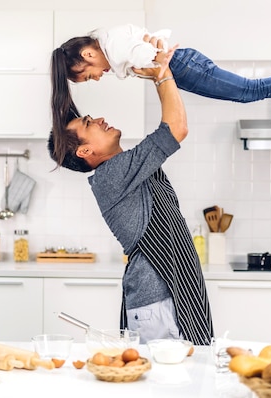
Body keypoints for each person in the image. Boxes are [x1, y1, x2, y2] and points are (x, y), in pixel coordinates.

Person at [48, 38, 214, 345]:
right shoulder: (112, 174)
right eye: (89, 123)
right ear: (86, 150)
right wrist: (161, 72)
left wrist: (161, 73)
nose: (98, 119)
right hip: (158, 298)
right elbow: (176, 128)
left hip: (164, 296)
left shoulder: (123, 168)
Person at [50, 24, 271, 148]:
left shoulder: (114, 47)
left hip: (182, 65)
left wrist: (155, 59)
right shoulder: (110, 42)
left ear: (88, 55)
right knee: (247, 93)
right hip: (183, 68)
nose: (99, 77)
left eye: (90, 74)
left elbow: (149, 55)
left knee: (249, 91)